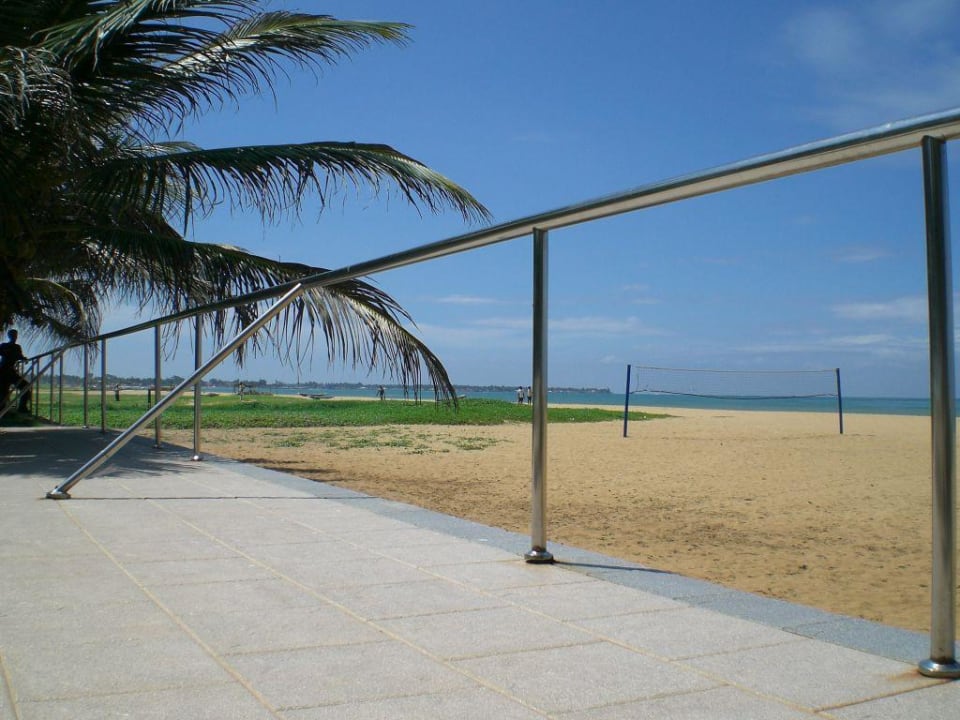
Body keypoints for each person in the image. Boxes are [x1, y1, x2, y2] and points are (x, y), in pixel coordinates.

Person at [0, 329, 31, 413]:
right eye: (13, 335)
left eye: (15, 335)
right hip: (2, 371)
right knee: (3, 392)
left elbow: (20, 356)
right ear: (9, 336)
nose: (14, 337)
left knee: (25, 386)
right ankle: (3, 411)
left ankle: (22, 408)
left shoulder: (17, 347)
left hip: (11, 371)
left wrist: (24, 359)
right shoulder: (4, 345)